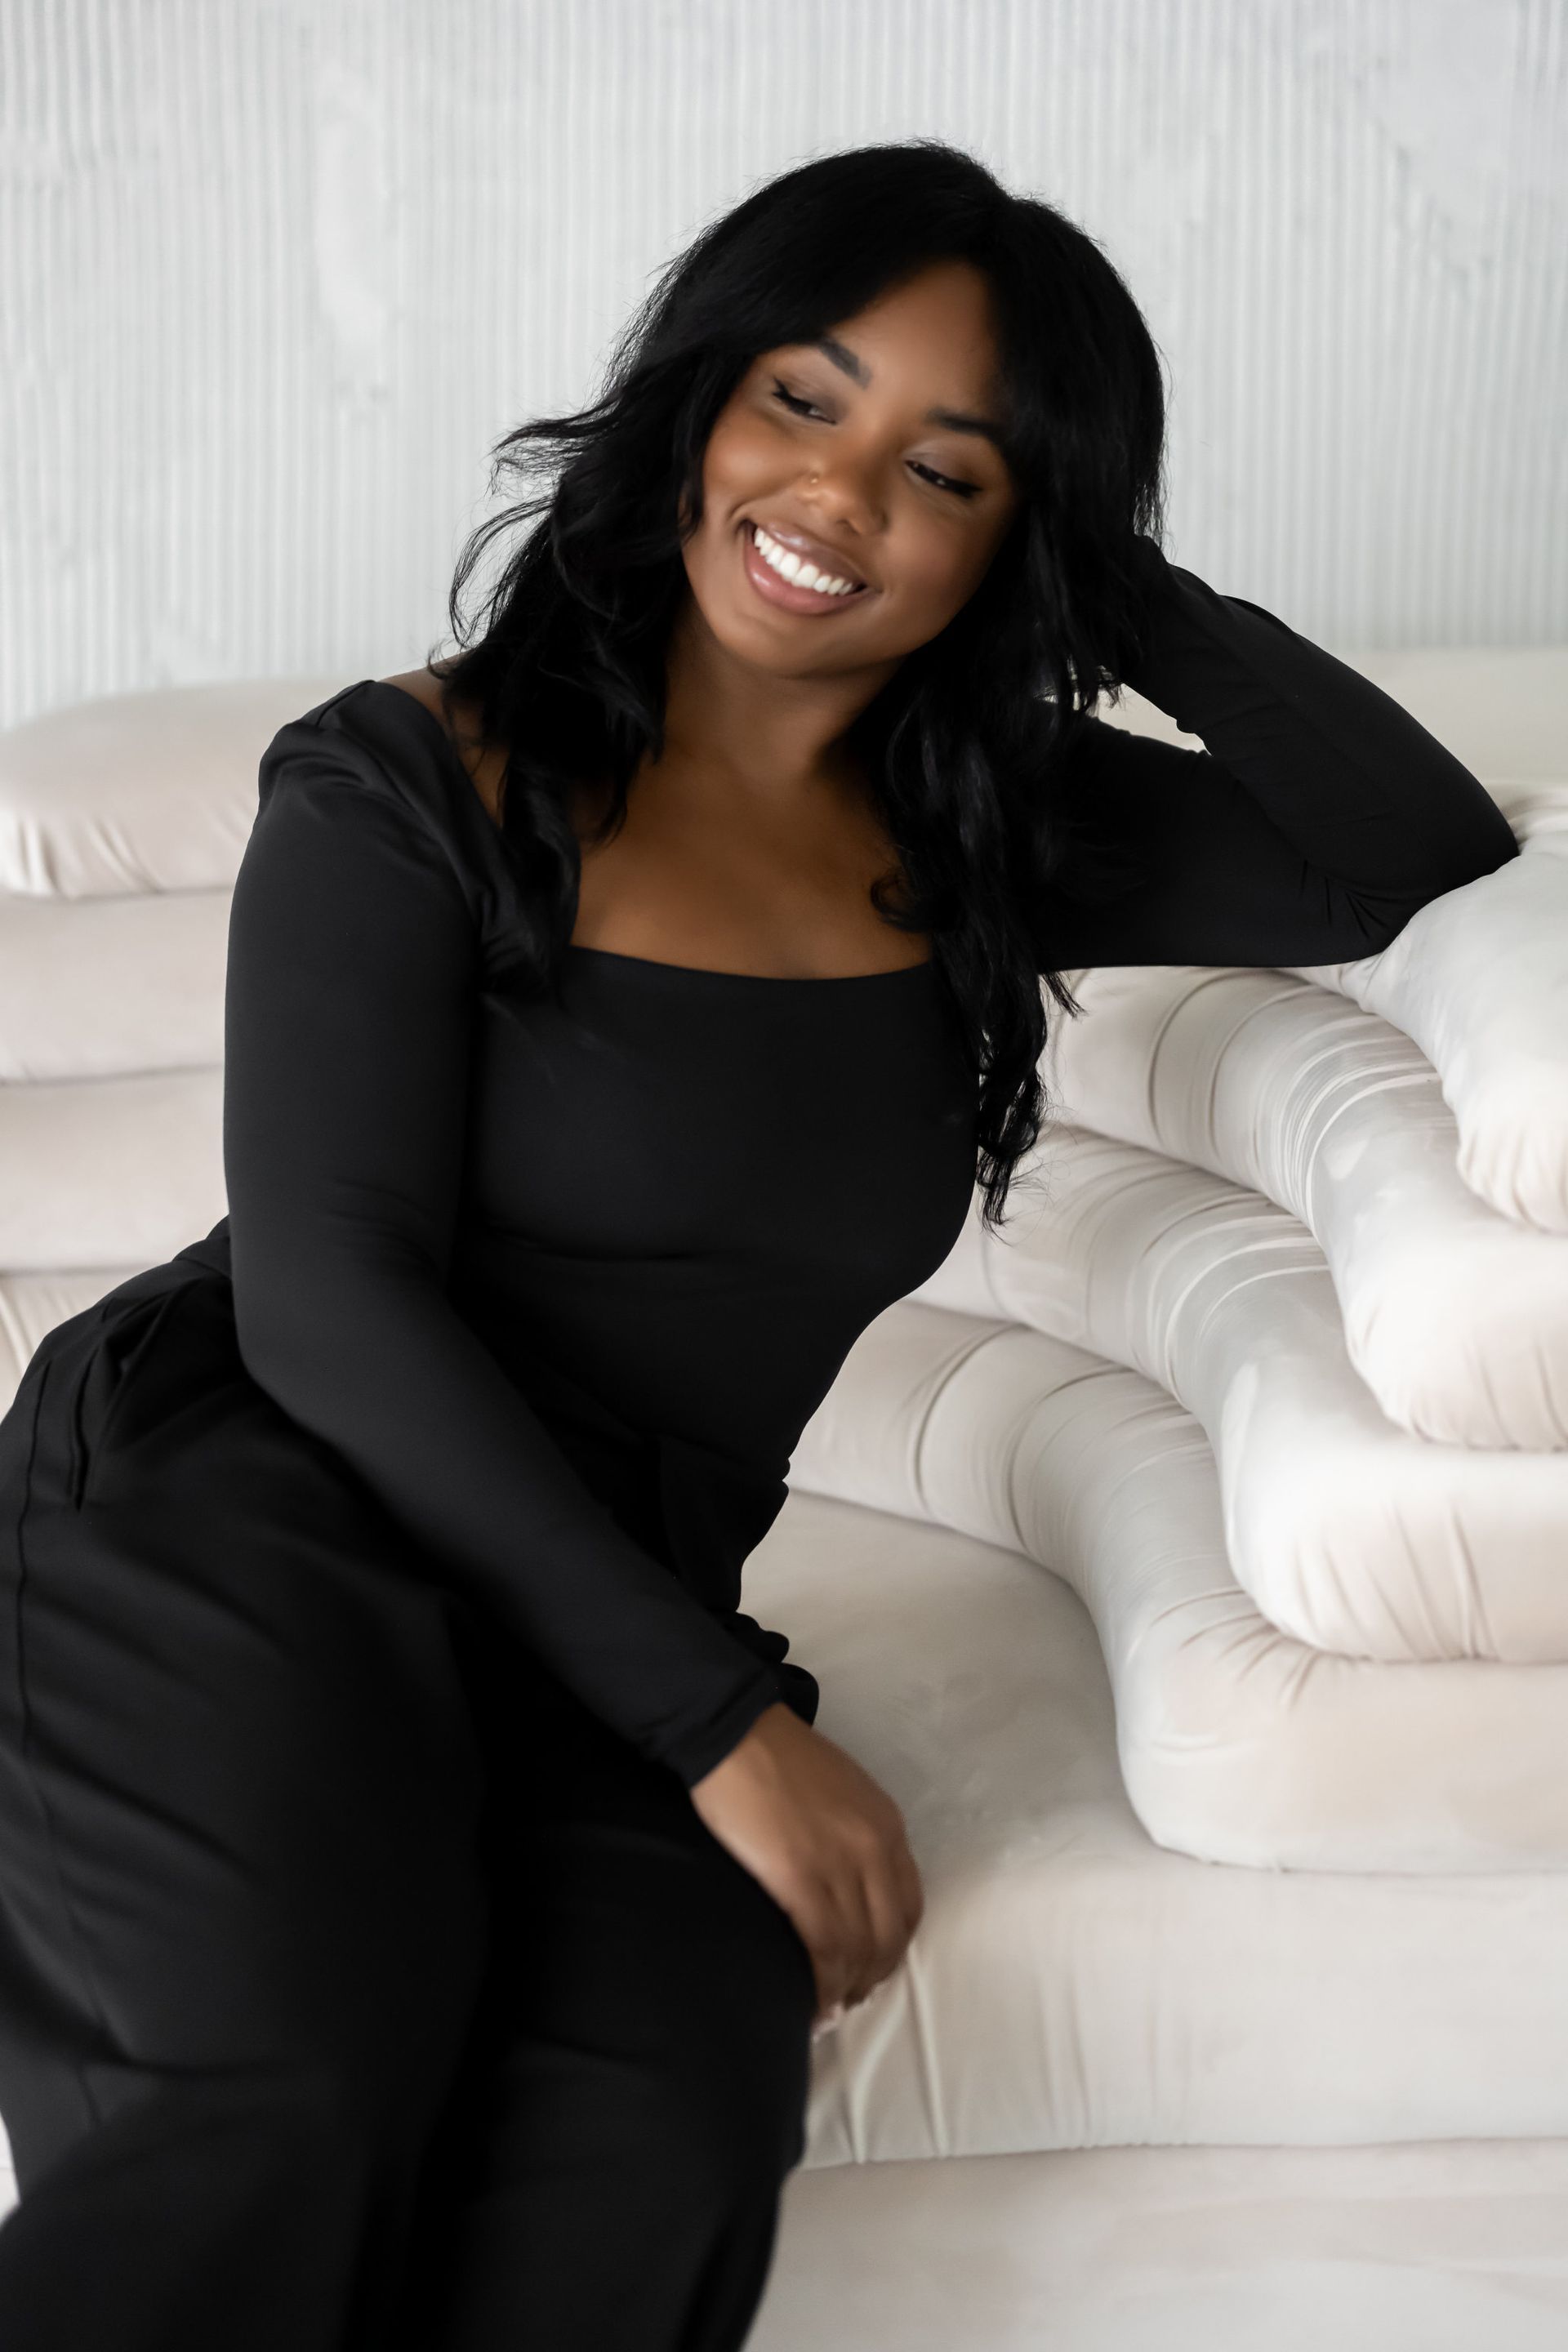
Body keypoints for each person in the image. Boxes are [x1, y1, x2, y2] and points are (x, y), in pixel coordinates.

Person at [0, 139, 1517, 2351]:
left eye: (952, 467)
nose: (839, 494)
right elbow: (333, 1305)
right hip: (244, 1517)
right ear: (701, 399)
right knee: (285, 2093)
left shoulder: (990, 839)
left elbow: (1401, 853)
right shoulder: (413, 786)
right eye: (802, 397)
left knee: (651, 2136)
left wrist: (1118, 576)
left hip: (603, 1610)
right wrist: (720, 1725)